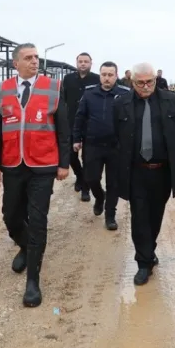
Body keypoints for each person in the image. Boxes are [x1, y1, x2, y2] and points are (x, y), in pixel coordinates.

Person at [0, 43, 70, 307]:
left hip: (43, 165)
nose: (35, 61)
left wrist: (64, 163)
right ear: (16, 64)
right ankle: (24, 246)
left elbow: (63, 129)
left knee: (37, 220)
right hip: (13, 164)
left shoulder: (53, 87)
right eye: (28, 58)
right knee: (11, 215)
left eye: (36, 57)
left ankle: (33, 280)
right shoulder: (2, 90)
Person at [112, 62, 175, 286]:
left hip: (162, 171)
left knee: (155, 215)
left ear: (155, 80)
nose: (145, 86)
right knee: (139, 216)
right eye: (140, 83)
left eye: (150, 82)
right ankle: (143, 263)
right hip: (136, 171)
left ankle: (149, 249)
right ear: (132, 82)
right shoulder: (121, 104)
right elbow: (117, 135)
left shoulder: (172, 101)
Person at [72, 61, 129, 230]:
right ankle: (99, 196)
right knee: (90, 178)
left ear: (116, 76)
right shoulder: (89, 93)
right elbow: (80, 117)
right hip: (93, 144)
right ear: (100, 75)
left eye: (110, 75)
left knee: (113, 183)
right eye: (104, 75)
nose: (107, 78)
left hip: (116, 146)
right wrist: (76, 138)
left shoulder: (125, 94)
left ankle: (110, 216)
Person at [61, 53, 100, 203]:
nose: (83, 64)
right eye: (80, 61)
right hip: (71, 123)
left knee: (87, 158)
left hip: (91, 123)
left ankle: (85, 188)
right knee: (71, 155)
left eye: (86, 61)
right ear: (76, 63)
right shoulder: (68, 79)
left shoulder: (97, 79)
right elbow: (63, 99)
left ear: (91, 63)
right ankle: (79, 175)